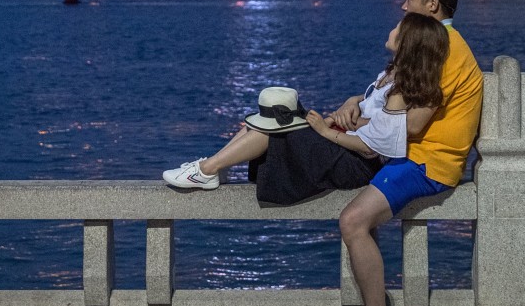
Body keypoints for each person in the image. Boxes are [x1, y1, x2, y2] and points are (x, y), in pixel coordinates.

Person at [330, 0, 483, 306]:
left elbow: (412, 123)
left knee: (352, 221)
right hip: (404, 152)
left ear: (432, 5)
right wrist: (354, 108)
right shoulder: (436, 41)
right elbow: (390, 104)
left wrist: (355, 123)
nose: (402, 4)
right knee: (316, 146)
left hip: (426, 162)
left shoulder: (444, 47)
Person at [161, 13, 450, 207]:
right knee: (270, 116)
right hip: (345, 148)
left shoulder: (399, 90)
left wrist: (327, 131)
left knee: (277, 129)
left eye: (398, 28)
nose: (392, 29)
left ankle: (207, 170)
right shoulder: (389, 75)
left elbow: (375, 147)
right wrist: (349, 108)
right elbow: (371, 121)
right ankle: (210, 168)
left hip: (356, 164)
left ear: (406, 42)